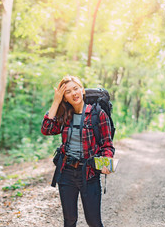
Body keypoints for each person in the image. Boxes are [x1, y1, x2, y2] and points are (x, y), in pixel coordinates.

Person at [41, 75, 115, 227]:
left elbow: (107, 144)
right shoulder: (64, 115)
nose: (74, 93)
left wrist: (107, 162)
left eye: (76, 88)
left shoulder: (98, 114)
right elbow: (46, 129)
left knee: (94, 222)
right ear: (65, 98)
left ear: (82, 90)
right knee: (69, 221)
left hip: (89, 173)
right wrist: (56, 101)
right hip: (66, 173)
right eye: (68, 92)